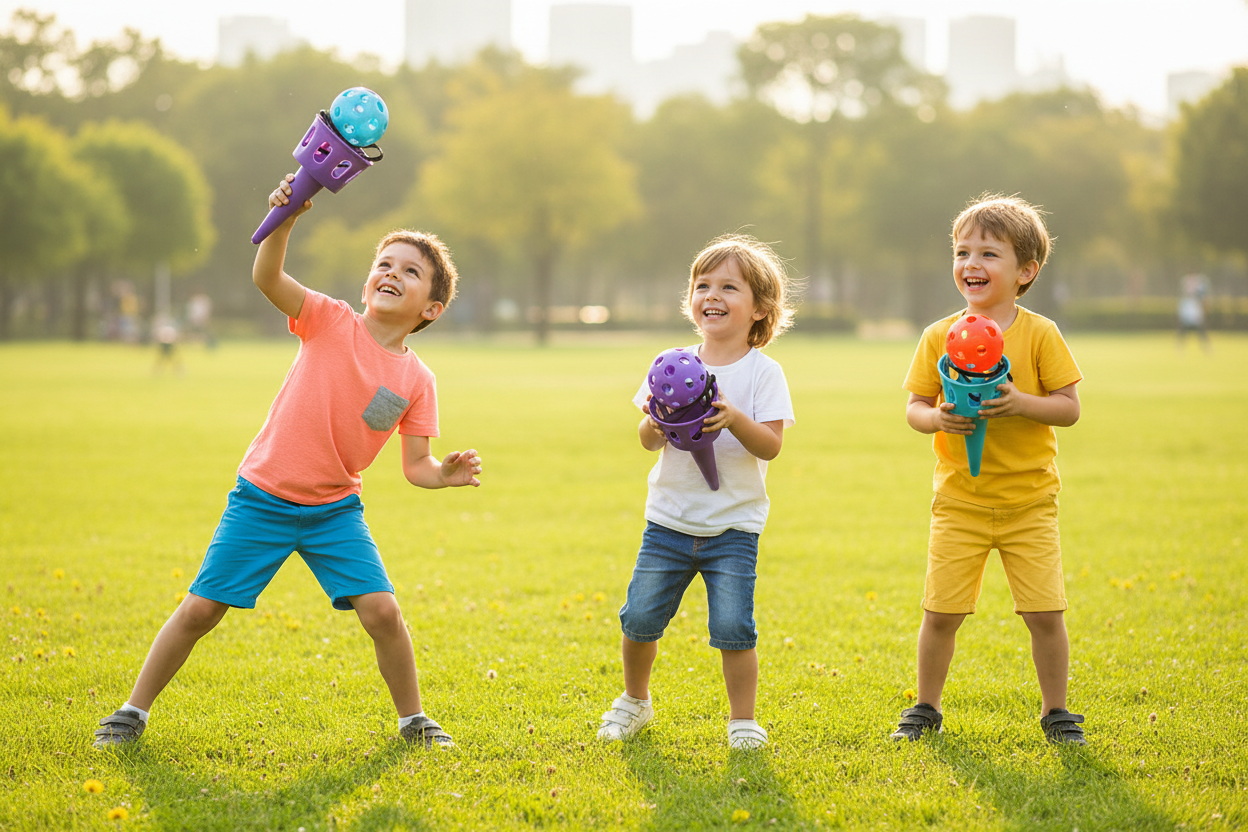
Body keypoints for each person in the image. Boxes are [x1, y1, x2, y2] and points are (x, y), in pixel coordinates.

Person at [93, 174, 483, 750]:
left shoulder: (417, 379)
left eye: (409, 271)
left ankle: (414, 721)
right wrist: (287, 221)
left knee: (382, 612)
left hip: (334, 510)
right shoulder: (329, 320)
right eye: (384, 263)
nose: (391, 273)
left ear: (432, 307)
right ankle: (131, 711)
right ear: (368, 279)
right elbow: (266, 277)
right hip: (263, 498)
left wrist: (443, 476)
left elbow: (416, 465)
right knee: (201, 610)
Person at [892, 194, 1086, 745]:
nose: (971, 264)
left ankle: (1057, 712)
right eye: (962, 252)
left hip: (1029, 502)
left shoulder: (1041, 334)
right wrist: (936, 418)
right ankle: (925, 707)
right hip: (960, 501)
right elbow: (913, 409)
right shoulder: (938, 335)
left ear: (1026, 271)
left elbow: (1069, 408)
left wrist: (1022, 402)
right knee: (941, 612)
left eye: (988, 254)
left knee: (1045, 612)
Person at [597, 234, 796, 749]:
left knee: (734, 626)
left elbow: (771, 445)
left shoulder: (763, 373)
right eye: (703, 284)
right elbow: (645, 437)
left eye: (729, 286)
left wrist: (733, 419)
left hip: (733, 526)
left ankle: (742, 721)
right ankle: (635, 700)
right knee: (640, 617)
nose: (712, 294)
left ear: (760, 309)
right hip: (668, 521)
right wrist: (658, 424)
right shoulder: (671, 363)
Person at [1176, 272, 1211, 352]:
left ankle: (1205, 346)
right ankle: (1180, 346)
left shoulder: (1199, 284)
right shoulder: (1185, 282)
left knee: (1200, 328)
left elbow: (1202, 295)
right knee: (1184, 328)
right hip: (1188, 307)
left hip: (1195, 307)